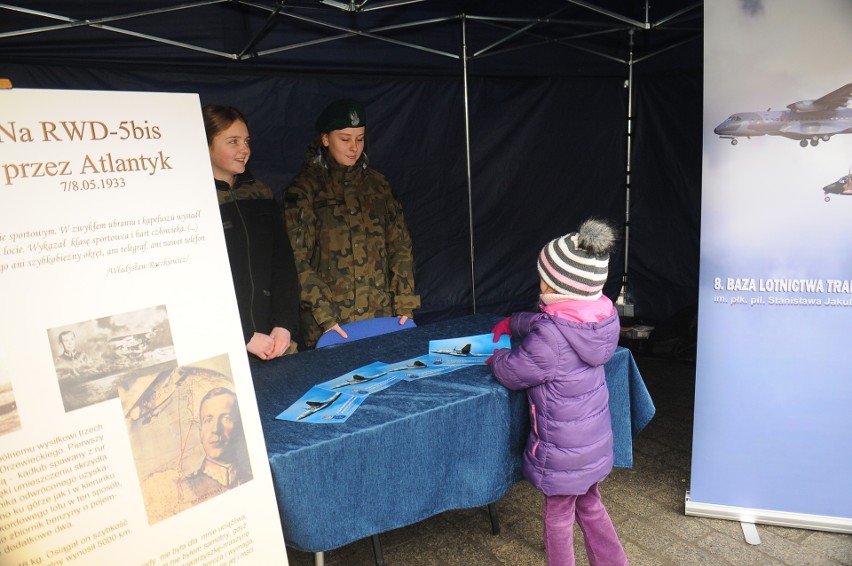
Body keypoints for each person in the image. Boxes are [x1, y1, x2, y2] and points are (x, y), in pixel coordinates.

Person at [488, 218, 628, 566]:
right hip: (592, 448)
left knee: (558, 516)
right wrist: (513, 322)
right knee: (591, 503)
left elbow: (512, 372)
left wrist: (496, 355)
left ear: (555, 287)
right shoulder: (601, 318)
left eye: (543, 279)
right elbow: (543, 320)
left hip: (562, 453)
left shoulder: (549, 338)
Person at [282, 99, 419, 348]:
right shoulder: (304, 191)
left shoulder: (378, 186)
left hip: (382, 318)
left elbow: (400, 247)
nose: (354, 147)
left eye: (360, 138)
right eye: (345, 139)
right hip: (331, 326)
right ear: (325, 139)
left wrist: (405, 306)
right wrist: (326, 318)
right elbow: (296, 260)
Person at [203, 104, 300, 361]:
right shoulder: (193, 200)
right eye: (232, 141)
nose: (244, 149)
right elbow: (197, 283)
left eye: (246, 141)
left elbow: (283, 264)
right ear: (206, 145)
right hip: (221, 349)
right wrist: (244, 334)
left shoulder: (261, 193)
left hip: (273, 342)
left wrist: (284, 325)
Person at [185, 387, 252, 501]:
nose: (216, 429)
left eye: (226, 419)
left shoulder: (252, 477)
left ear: (239, 427)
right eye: (208, 420)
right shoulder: (186, 490)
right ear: (200, 431)